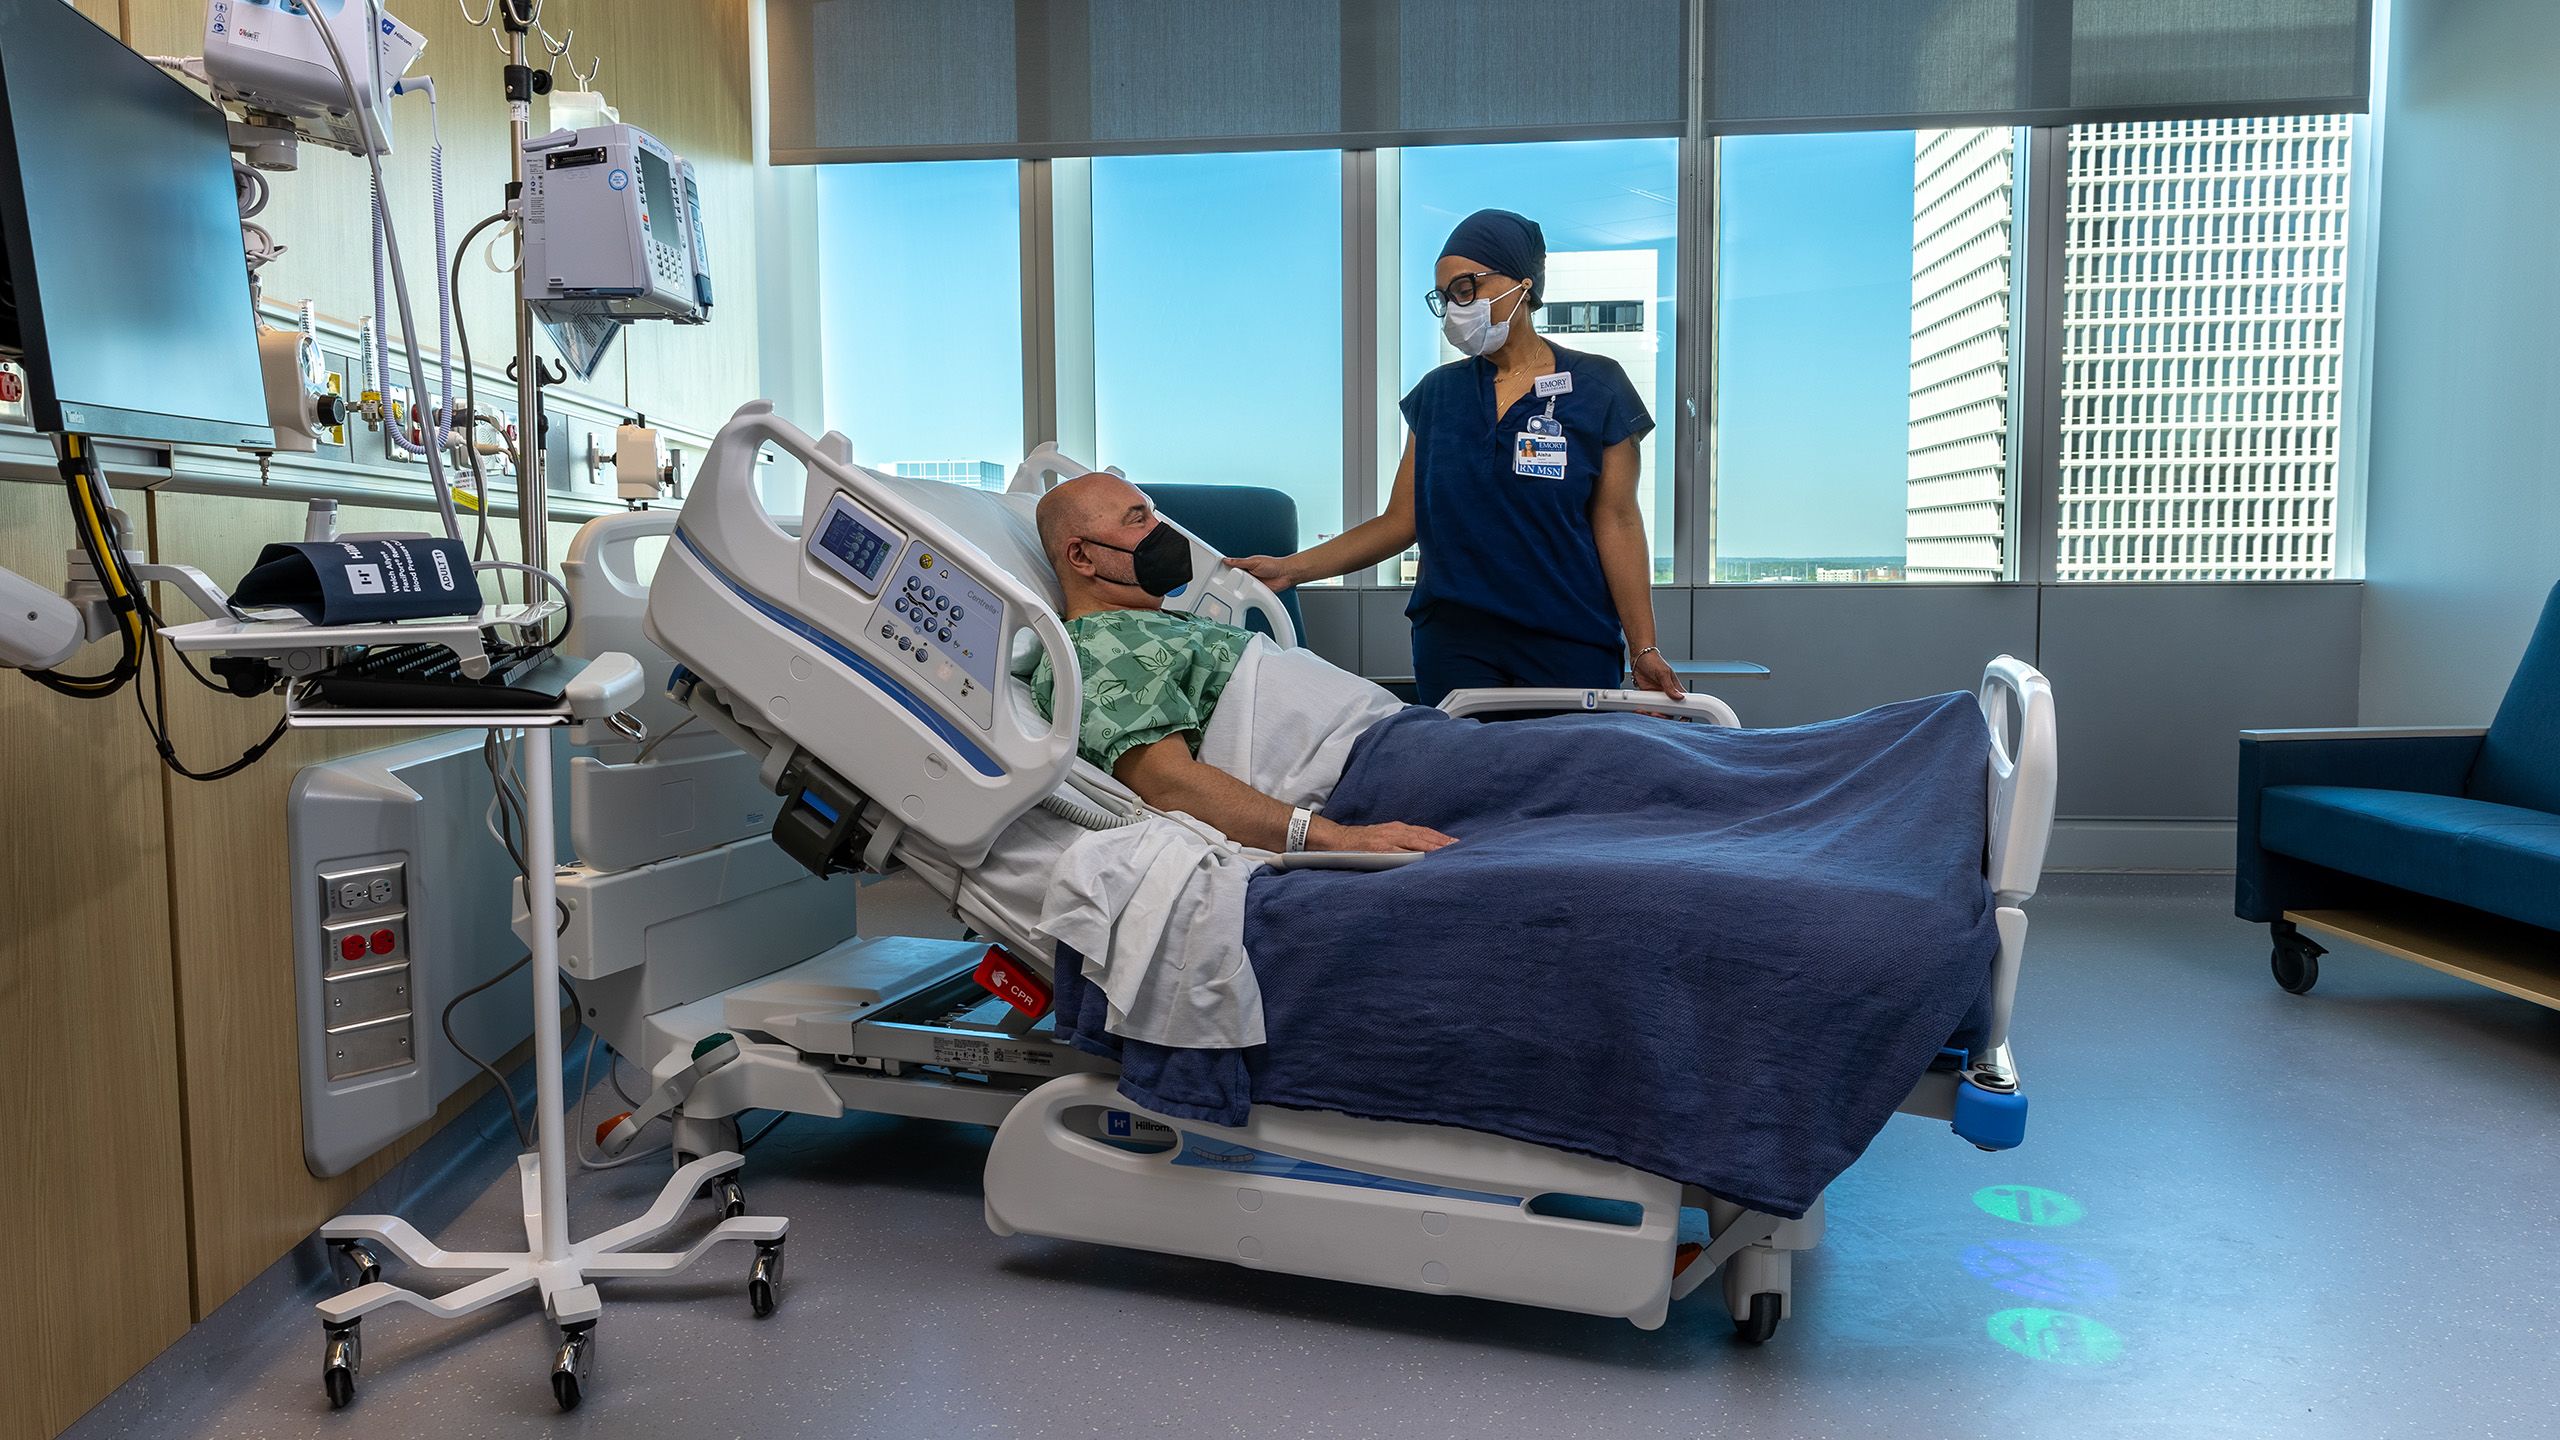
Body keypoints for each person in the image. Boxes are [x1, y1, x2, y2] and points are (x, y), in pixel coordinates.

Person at [1226, 208, 1684, 708]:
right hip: (1456, 643)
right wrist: (1291, 570)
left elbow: (1617, 522)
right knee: (1464, 780)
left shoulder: (1599, 387)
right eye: (1444, 297)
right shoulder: (1437, 395)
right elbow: (1401, 522)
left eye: (1466, 288)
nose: (1455, 308)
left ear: (1523, 286)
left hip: (1568, 639)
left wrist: (1643, 647)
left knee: (1563, 778)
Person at [1027, 471, 1456, 857]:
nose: (1163, 531)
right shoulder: (1097, 649)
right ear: (1082, 557)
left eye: (1155, 515)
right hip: (1370, 766)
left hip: (1404, 737)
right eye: (1138, 520)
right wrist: (1341, 838)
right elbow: (1169, 783)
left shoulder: (1156, 622)